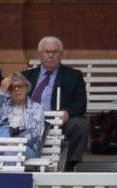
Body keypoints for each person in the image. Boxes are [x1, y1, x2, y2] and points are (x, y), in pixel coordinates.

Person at [22, 36, 88, 171]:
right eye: (47, 52)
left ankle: (70, 165)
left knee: (80, 125)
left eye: (54, 52)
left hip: (59, 120)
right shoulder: (26, 76)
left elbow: (81, 103)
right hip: (31, 119)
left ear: (61, 54)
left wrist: (67, 112)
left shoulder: (73, 75)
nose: (50, 55)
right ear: (39, 54)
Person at [0, 73, 45, 159]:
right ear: (8, 91)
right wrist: (1, 92)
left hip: (25, 146)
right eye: (12, 87)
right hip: (0, 141)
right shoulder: (3, 105)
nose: (16, 89)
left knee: (12, 152)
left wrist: (15, 141)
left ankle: (8, 172)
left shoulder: (36, 108)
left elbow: (35, 132)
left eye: (20, 86)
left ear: (26, 87)